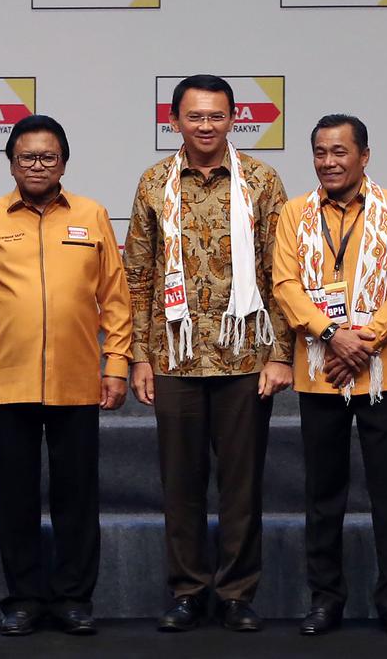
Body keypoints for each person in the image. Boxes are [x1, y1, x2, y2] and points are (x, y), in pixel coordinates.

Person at [124, 74, 294, 632]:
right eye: (194, 117)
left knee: (241, 486)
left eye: (216, 116)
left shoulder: (262, 182)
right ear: (174, 121)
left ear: (232, 119)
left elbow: (282, 274)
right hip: (175, 358)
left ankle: (238, 595)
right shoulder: (154, 182)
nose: (205, 126)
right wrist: (140, 357)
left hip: (247, 358)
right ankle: (187, 592)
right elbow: (139, 277)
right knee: (180, 482)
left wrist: (281, 355)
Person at [0, 114, 132, 636]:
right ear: (11, 162)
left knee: (78, 496)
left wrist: (116, 366)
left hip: (78, 381)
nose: (37, 165)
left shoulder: (93, 215)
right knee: (16, 496)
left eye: (47, 157)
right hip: (5, 382)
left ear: (64, 163)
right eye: (27, 157)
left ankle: (75, 598)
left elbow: (116, 301)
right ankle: (24, 599)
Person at [272, 114, 387, 637]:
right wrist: (331, 333)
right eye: (319, 152)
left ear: (364, 155)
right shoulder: (294, 213)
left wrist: (361, 341)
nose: (328, 162)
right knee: (323, 491)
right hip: (320, 372)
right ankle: (325, 599)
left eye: (339, 152)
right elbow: (285, 283)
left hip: (382, 371)